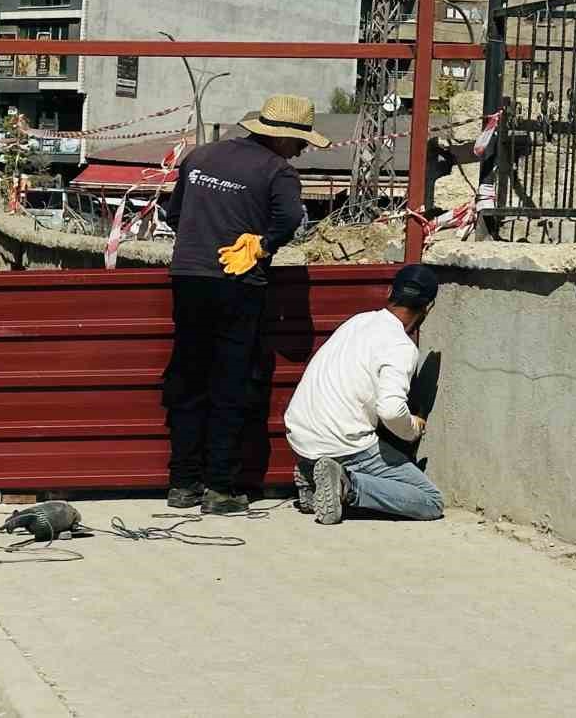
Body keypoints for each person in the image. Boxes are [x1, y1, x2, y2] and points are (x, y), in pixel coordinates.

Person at [160, 94, 325, 515]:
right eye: (300, 142)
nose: (303, 149)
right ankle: (219, 489)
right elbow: (289, 220)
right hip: (239, 282)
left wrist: (204, 239)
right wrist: (264, 246)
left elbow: (174, 214)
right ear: (281, 138)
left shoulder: (200, 157)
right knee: (231, 383)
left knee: (188, 377)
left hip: (188, 277)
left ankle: (182, 484)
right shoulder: (277, 171)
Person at [285, 265, 444, 525]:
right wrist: (412, 428)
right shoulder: (400, 345)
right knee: (430, 500)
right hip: (344, 444)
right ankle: (346, 485)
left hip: (301, 435)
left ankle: (311, 472)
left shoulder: (357, 321)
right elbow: (391, 410)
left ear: (390, 291)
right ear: (428, 307)